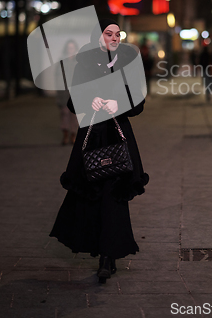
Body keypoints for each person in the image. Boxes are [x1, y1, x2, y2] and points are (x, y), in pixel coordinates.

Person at [49, 19, 149, 284]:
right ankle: (102, 252)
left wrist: (120, 103)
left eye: (118, 33)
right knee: (93, 196)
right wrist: (89, 99)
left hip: (117, 136)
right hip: (92, 137)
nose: (115, 37)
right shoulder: (84, 63)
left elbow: (139, 102)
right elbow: (73, 101)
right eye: (109, 33)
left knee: (113, 196)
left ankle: (108, 256)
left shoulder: (127, 61)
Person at [55, 40, 79, 145]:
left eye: (72, 47)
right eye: (69, 47)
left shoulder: (78, 61)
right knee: (65, 113)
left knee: (74, 115)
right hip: (64, 91)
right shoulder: (61, 62)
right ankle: (65, 134)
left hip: (75, 91)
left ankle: (73, 135)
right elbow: (57, 77)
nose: (71, 50)